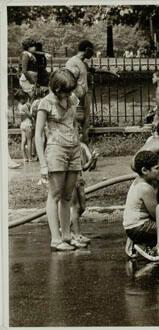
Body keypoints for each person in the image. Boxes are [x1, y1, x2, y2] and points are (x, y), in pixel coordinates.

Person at [34, 68, 82, 251]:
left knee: (67, 196)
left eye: (70, 90)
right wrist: (43, 164)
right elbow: (38, 135)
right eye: (66, 90)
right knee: (54, 195)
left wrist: (80, 148)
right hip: (56, 151)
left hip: (73, 149)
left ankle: (67, 236)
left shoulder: (72, 99)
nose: (69, 94)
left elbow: (74, 124)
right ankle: (56, 239)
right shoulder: (45, 103)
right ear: (56, 88)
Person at [123, 150, 159, 261]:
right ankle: (147, 247)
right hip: (139, 228)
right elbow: (157, 215)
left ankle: (140, 242)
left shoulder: (139, 181)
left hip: (132, 227)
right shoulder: (146, 188)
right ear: (145, 170)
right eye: (157, 168)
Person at [65, 40, 95, 144]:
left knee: (86, 122)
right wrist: (78, 94)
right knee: (76, 120)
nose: (93, 53)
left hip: (84, 95)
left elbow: (88, 73)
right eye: (92, 50)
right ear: (87, 49)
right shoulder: (72, 62)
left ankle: (84, 144)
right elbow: (70, 80)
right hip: (76, 97)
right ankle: (75, 145)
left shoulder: (83, 63)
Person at [69, 142, 98, 247]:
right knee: (75, 207)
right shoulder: (68, 146)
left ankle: (65, 228)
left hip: (79, 179)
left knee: (82, 207)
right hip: (70, 179)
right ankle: (77, 235)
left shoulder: (81, 146)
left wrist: (92, 159)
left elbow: (84, 168)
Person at [15, 90, 33, 162]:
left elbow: (20, 115)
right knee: (29, 141)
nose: (26, 99)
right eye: (25, 98)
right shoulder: (26, 106)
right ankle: (30, 158)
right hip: (28, 124)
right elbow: (30, 116)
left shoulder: (19, 105)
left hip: (22, 125)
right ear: (22, 98)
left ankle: (24, 157)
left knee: (23, 141)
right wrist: (29, 112)